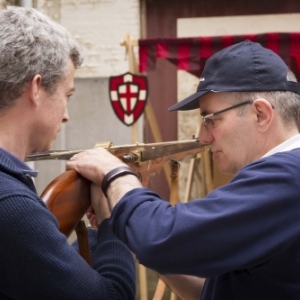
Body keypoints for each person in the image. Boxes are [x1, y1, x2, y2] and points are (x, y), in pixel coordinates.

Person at [67, 40, 300, 300]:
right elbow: (210, 291)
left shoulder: (288, 176)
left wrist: (115, 174)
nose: (203, 137)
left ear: (260, 114)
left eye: (211, 120)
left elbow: (161, 236)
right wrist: (130, 220)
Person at [0, 6, 135, 300]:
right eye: (67, 95)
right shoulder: (10, 203)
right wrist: (114, 219)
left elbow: (43, 271)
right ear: (36, 88)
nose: (66, 116)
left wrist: (98, 236)